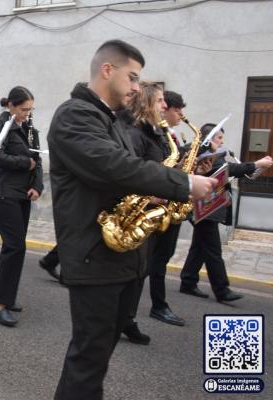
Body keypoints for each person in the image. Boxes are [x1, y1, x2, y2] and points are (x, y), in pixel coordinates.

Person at [48, 39, 217, 400]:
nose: (137, 88)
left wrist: (159, 190)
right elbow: (113, 167)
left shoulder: (112, 121)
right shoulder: (75, 115)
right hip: (95, 257)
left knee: (97, 359)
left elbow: (127, 176)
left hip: (122, 257)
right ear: (108, 70)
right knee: (88, 362)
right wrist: (183, 183)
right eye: (133, 77)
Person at [179, 124, 273, 302]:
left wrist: (257, 168)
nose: (222, 141)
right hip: (203, 208)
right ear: (209, 138)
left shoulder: (217, 155)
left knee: (200, 247)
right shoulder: (203, 155)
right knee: (213, 250)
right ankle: (222, 290)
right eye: (218, 138)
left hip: (209, 208)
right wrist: (257, 163)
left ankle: (188, 281)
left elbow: (235, 172)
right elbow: (232, 170)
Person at [0, 86, 44, 327]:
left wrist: (37, 186)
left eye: (31, 110)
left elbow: (37, 160)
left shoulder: (29, 129)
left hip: (22, 193)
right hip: (4, 191)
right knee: (14, 246)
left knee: (18, 247)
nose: (27, 114)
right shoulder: (1, 125)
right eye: (24, 109)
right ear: (11, 106)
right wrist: (23, 163)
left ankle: (8, 297)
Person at [118, 82, 169, 345]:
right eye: (160, 101)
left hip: (152, 211)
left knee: (141, 270)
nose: (164, 106)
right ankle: (121, 319)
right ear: (147, 103)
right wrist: (149, 196)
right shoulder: (135, 135)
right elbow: (127, 175)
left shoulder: (155, 133)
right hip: (138, 212)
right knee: (133, 271)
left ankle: (127, 318)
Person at [147, 90, 188, 326]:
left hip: (169, 204)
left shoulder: (169, 135)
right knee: (147, 263)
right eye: (177, 109)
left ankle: (150, 307)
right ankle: (155, 306)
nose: (181, 114)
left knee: (160, 259)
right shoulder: (151, 134)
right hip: (154, 205)